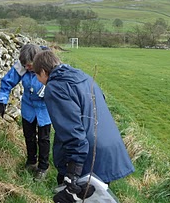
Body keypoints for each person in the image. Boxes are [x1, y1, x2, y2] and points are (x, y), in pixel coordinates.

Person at [33, 50, 135, 202]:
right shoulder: (83, 77)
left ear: (43, 71)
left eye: (36, 75)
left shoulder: (55, 88)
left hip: (88, 156)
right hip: (108, 147)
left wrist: (72, 174)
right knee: (98, 199)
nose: (37, 78)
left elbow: (72, 130)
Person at [0, 43, 52, 181]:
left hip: (45, 108)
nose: (27, 68)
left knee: (44, 139)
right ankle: (31, 162)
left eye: (30, 65)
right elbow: (7, 83)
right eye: (25, 65)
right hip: (28, 106)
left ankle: (43, 167)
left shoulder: (50, 65)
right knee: (29, 135)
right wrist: (2, 101)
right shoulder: (22, 66)